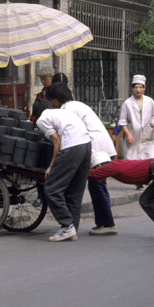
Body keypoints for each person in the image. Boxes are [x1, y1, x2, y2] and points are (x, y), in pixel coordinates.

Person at [48, 82, 118, 236]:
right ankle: (104, 222)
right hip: (97, 147)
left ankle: (107, 223)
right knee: (97, 185)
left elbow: (73, 135)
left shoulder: (68, 110)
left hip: (95, 150)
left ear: (56, 99)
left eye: (52, 100)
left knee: (98, 185)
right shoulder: (75, 105)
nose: (52, 104)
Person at [36, 98, 92, 242]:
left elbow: (57, 141)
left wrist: (51, 166)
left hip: (72, 147)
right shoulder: (62, 113)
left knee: (51, 188)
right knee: (75, 191)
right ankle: (73, 229)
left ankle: (67, 225)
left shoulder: (41, 119)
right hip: (86, 146)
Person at [119, 74, 154, 189]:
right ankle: (139, 182)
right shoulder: (127, 103)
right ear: (132, 88)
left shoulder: (150, 101)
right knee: (135, 161)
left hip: (148, 136)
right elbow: (122, 121)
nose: (138, 89)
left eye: (140, 87)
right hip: (134, 137)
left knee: (151, 158)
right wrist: (128, 134)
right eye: (136, 87)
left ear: (144, 88)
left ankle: (149, 179)